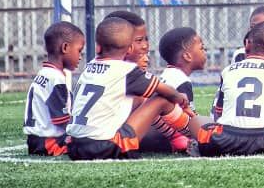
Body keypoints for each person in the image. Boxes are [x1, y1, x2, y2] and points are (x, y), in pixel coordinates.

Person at [66, 17, 201, 160]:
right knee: (161, 99)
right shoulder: (126, 70)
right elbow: (165, 91)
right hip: (105, 147)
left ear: (97, 47)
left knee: (140, 98)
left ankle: (182, 137)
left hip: (74, 146)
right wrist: (180, 98)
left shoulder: (89, 67)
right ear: (130, 48)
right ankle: (198, 137)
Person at [200, 21, 264, 156]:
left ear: (247, 44)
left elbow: (219, 113)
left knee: (198, 122)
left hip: (225, 141)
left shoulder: (228, 70)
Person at [141, 27, 208, 153]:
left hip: (149, 133)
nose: (205, 51)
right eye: (202, 48)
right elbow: (190, 119)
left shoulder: (168, 75)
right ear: (187, 56)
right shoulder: (181, 80)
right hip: (161, 138)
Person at [24, 21, 84, 156]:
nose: (80, 57)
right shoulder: (57, 80)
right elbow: (62, 121)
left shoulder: (44, 73)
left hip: (36, 140)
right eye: (79, 51)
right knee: (91, 144)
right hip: (50, 143)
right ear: (65, 48)